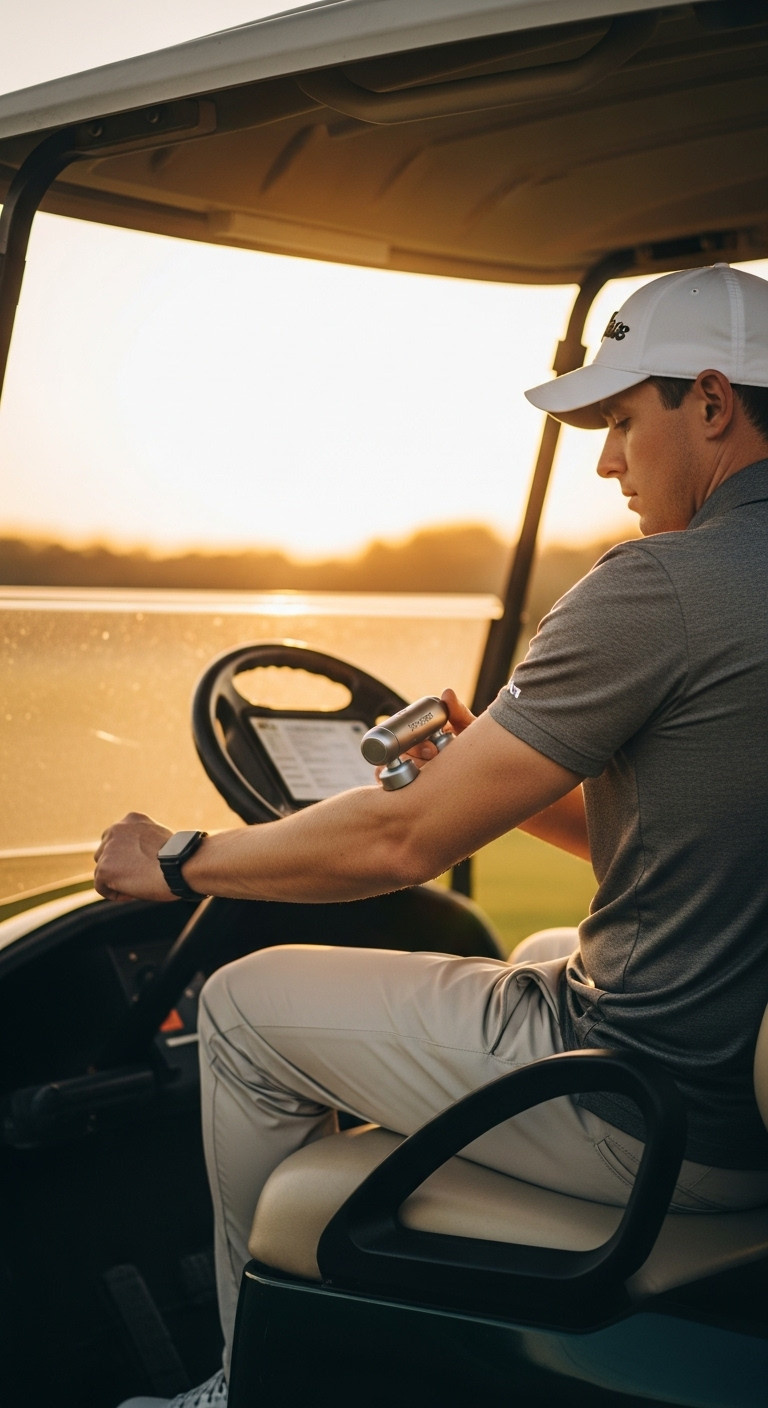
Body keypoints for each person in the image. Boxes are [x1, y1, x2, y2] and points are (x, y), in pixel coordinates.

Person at [95, 262, 768, 1408]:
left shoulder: (662, 585)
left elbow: (397, 843)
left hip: (660, 1115)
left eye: (618, 421)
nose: (607, 462)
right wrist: (481, 774)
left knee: (244, 1007)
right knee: (545, 941)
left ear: (710, 403)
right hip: (732, 1079)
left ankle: (243, 1382)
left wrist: (175, 860)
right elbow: (691, 859)